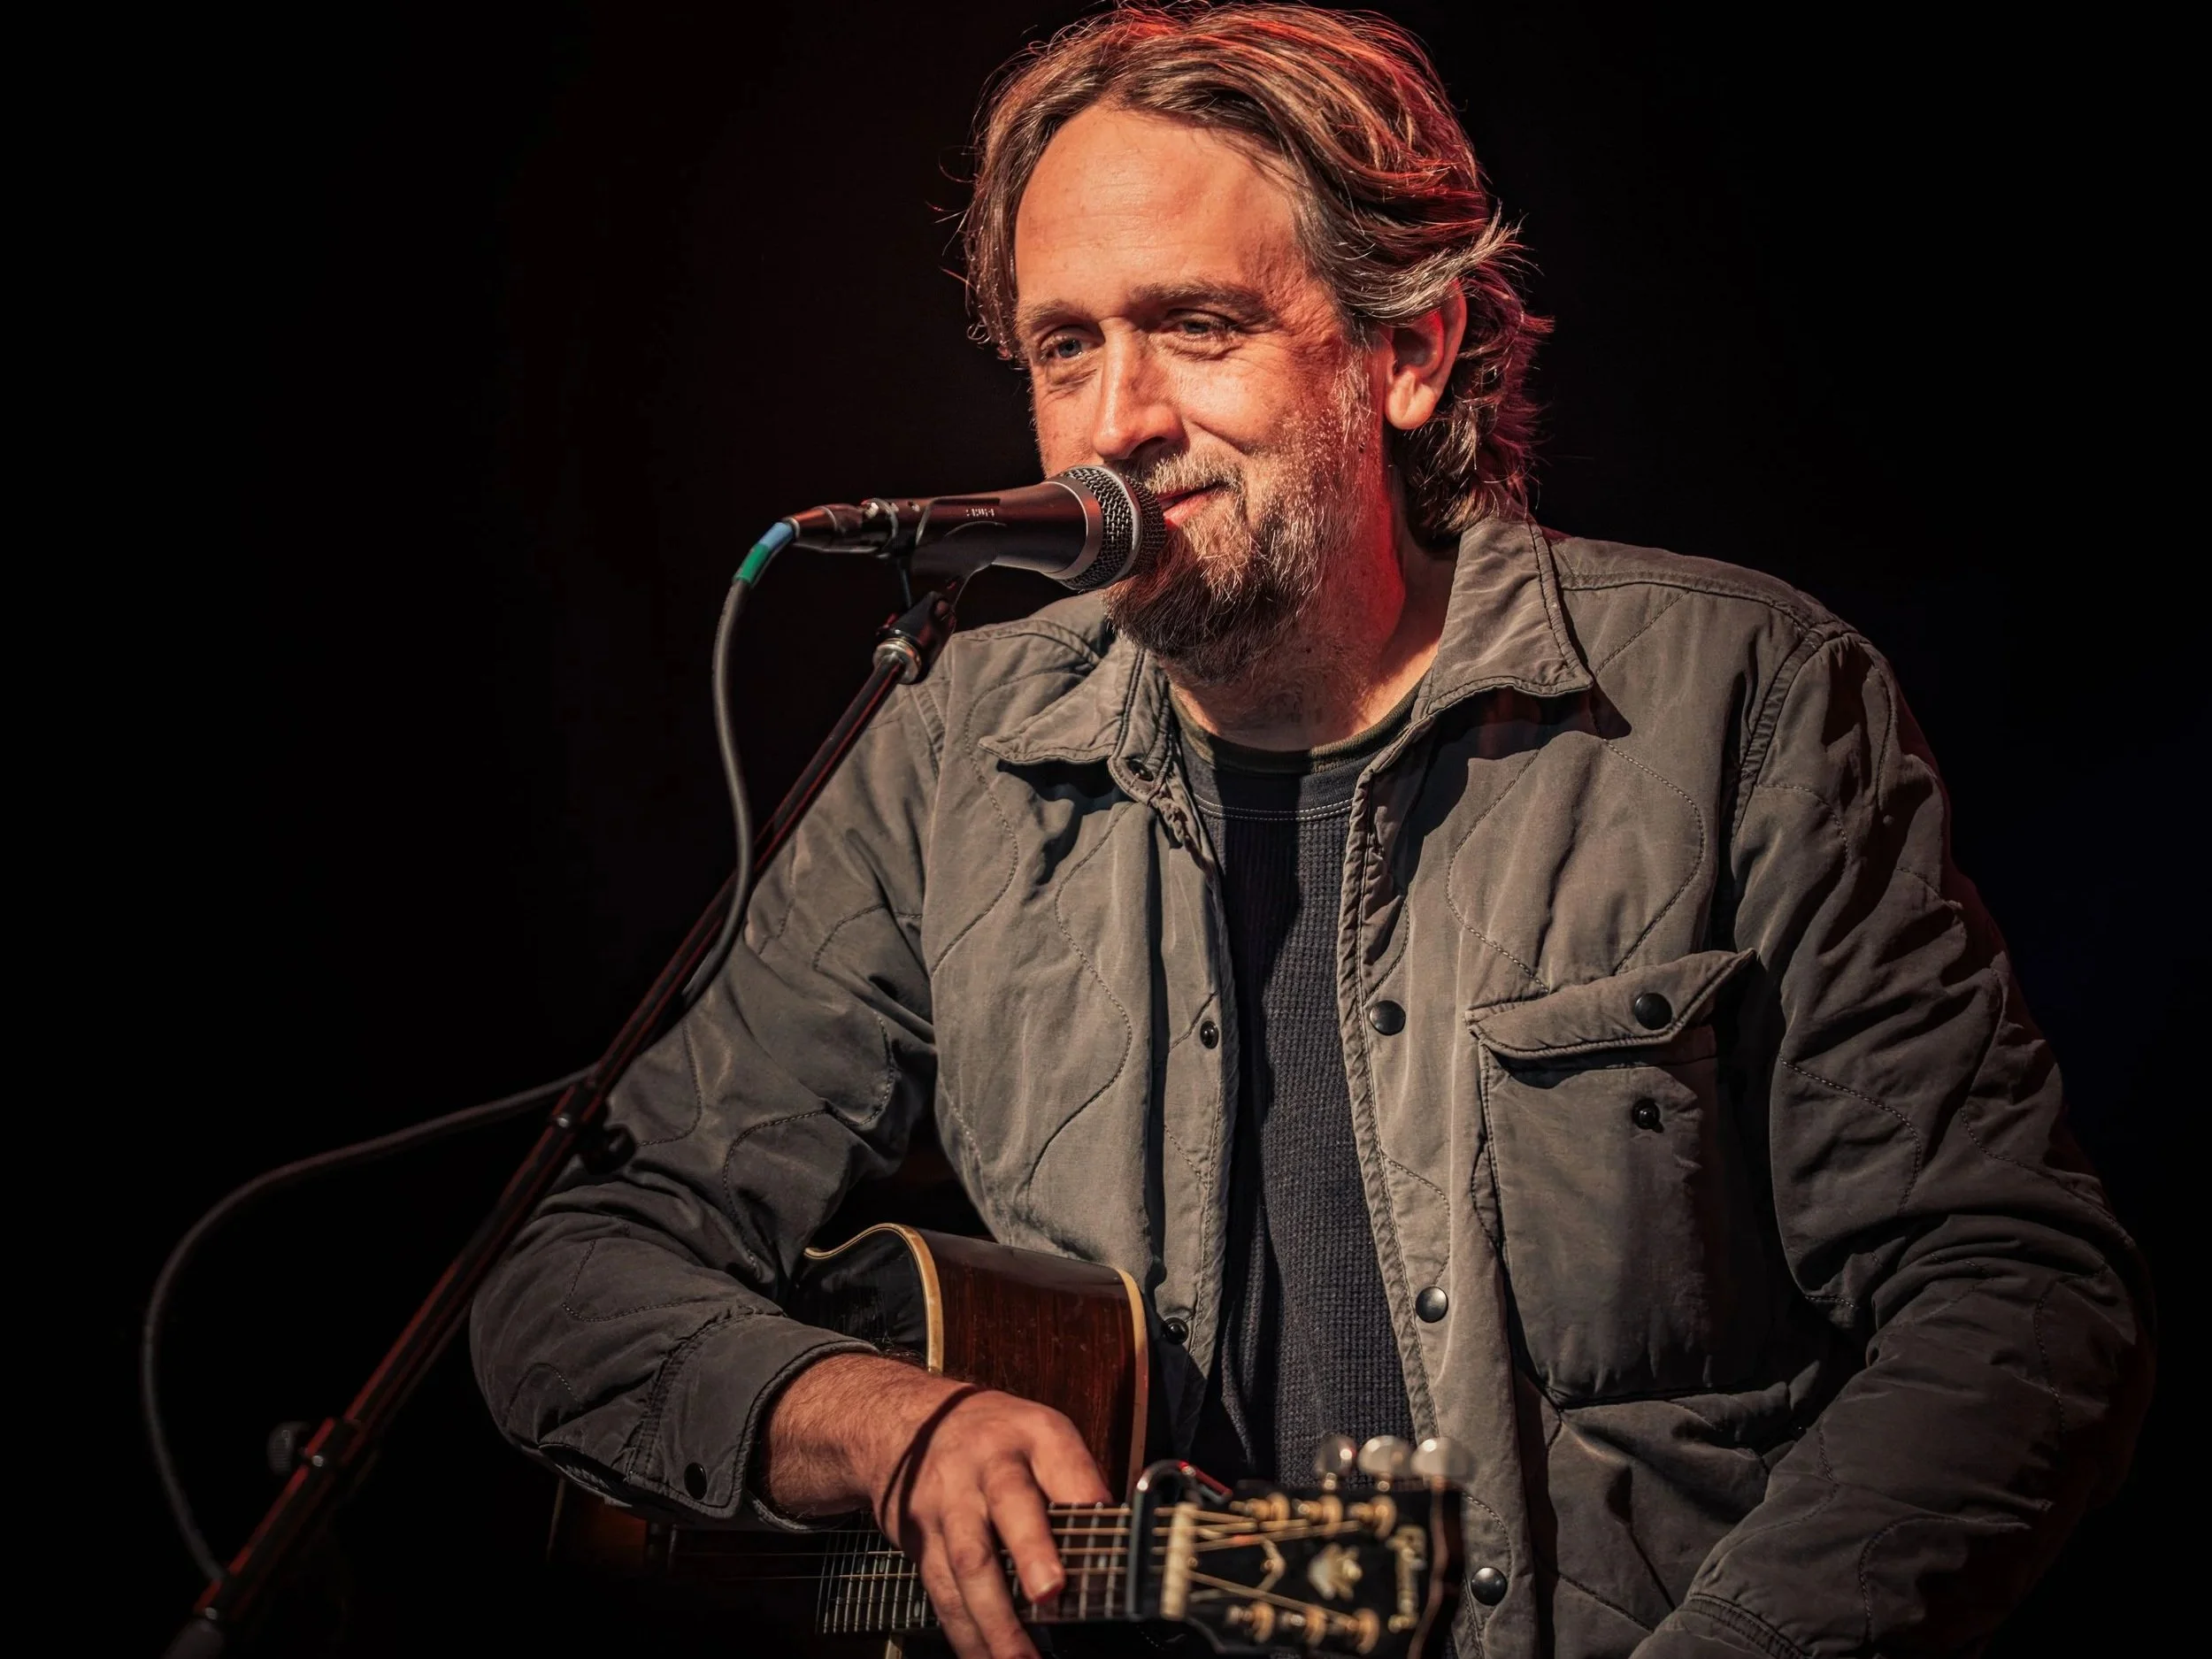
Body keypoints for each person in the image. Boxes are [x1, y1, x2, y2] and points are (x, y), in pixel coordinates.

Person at [470, 7, 2153, 1656]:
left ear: (1407, 355)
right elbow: (571, 1276)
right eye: (1066, 348)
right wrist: (872, 1420)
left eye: (1194, 327)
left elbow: (2014, 1299)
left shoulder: (1740, 699)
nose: (1114, 418)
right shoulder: (947, 751)